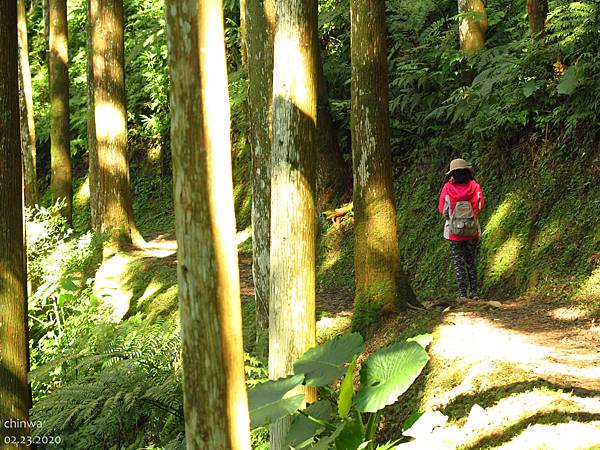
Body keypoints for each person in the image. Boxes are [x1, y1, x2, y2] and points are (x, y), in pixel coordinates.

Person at [438, 158, 484, 302]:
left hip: (453, 232)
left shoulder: (447, 188)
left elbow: (442, 210)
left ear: (452, 173)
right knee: (471, 260)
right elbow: (481, 205)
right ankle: (475, 292)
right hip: (472, 231)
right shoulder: (475, 186)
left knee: (458, 263)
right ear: (467, 171)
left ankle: (463, 294)